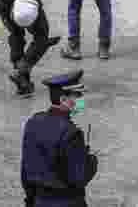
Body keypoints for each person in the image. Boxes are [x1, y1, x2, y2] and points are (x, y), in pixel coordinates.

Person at [21, 70, 98, 206]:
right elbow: (78, 178)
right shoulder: (71, 133)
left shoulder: (32, 122)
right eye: (77, 96)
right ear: (63, 100)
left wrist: (30, 200)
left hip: (39, 201)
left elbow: (26, 170)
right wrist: (91, 162)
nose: (81, 100)